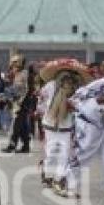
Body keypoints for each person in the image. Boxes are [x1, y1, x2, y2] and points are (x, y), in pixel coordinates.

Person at [61, 60, 104, 199]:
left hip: (100, 121)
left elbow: (80, 94)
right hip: (91, 121)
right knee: (84, 152)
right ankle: (69, 185)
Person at [38, 59, 91, 191]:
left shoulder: (78, 91)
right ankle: (48, 173)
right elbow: (41, 101)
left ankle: (59, 179)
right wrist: (46, 112)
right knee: (51, 153)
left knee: (64, 154)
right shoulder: (50, 86)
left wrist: (72, 106)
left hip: (66, 128)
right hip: (50, 125)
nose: (68, 78)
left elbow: (81, 107)